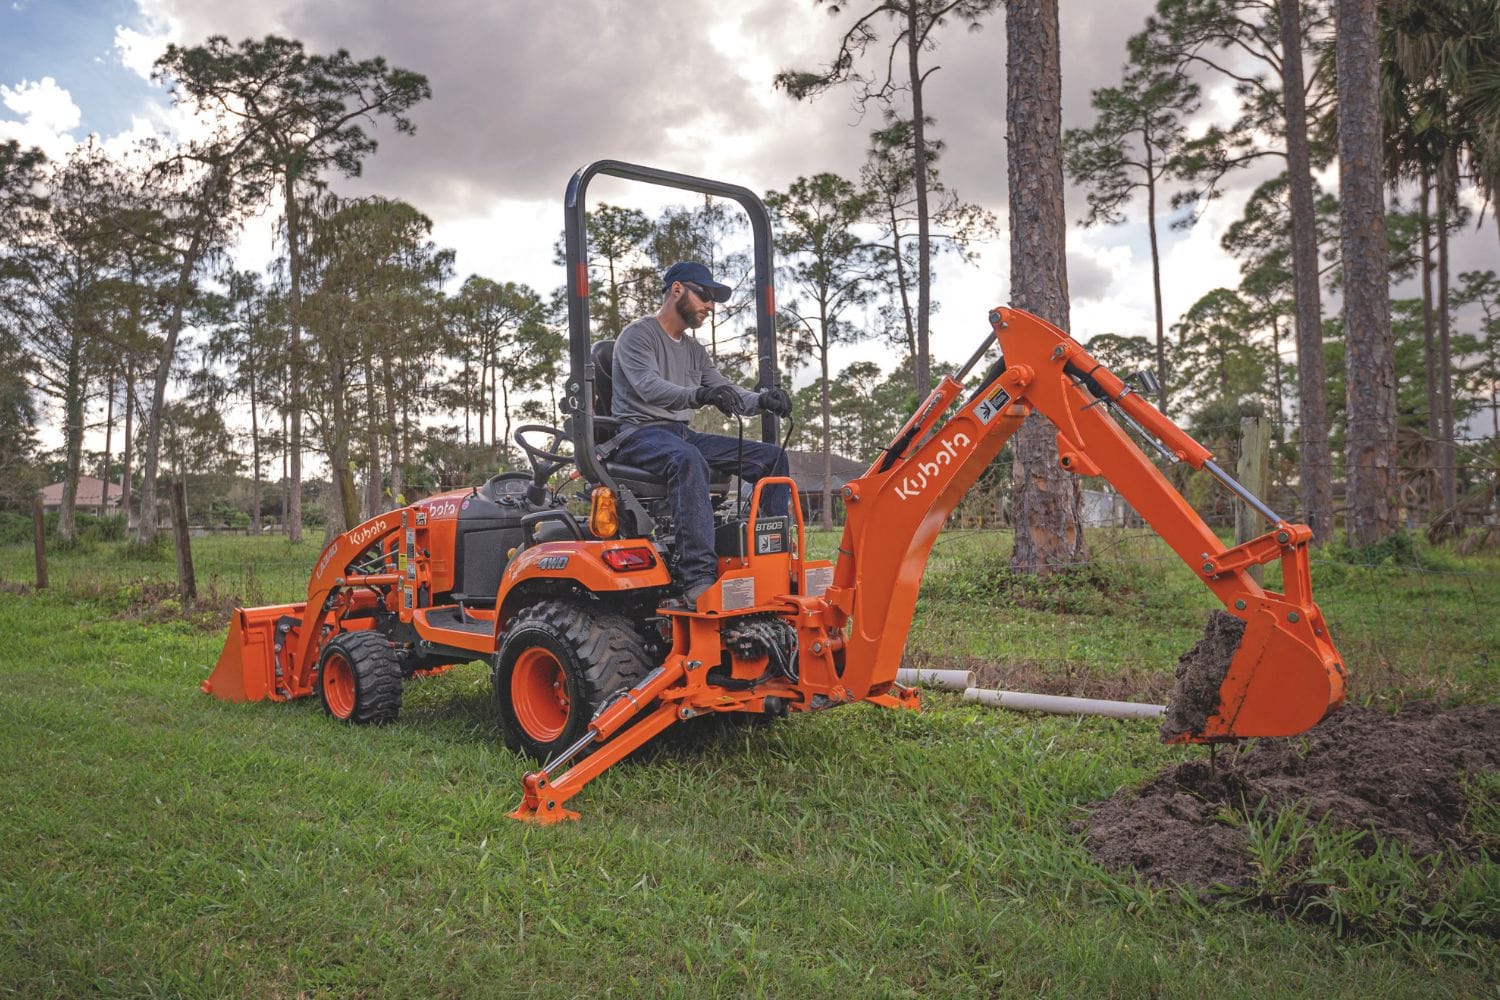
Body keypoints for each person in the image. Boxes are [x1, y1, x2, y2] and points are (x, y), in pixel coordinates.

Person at [608, 261, 794, 608]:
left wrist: (763, 401)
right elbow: (649, 387)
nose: (710, 306)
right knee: (688, 459)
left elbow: (722, 388)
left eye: (712, 299)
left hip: (680, 434)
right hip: (637, 434)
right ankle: (699, 578)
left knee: (772, 458)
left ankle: (767, 559)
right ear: (677, 289)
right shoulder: (638, 335)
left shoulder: (694, 350)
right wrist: (698, 396)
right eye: (705, 295)